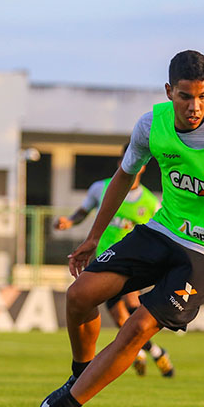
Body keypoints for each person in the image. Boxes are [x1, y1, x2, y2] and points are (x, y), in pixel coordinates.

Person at [0, 49, 204, 407]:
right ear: (169, 91)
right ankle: (81, 376)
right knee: (80, 295)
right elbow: (123, 176)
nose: (194, 105)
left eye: (202, 95)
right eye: (185, 95)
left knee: (137, 327)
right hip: (163, 231)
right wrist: (93, 237)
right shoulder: (151, 125)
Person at [55, 146, 175, 377]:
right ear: (120, 162)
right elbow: (83, 211)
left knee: (132, 308)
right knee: (121, 319)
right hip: (102, 262)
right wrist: (69, 222)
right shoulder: (101, 188)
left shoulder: (150, 203)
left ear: (143, 166)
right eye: (124, 159)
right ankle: (155, 351)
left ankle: (144, 352)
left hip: (131, 263)